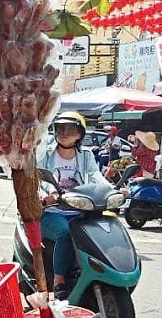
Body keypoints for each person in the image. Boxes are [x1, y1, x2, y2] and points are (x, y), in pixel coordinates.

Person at [38, 112, 112, 298]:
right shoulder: (45, 153)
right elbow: (40, 179)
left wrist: (112, 190)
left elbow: (95, 176)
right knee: (65, 232)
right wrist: (49, 195)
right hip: (51, 211)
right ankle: (59, 280)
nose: (64, 133)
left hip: (79, 208)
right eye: (60, 128)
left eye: (70, 129)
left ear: (80, 134)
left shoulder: (86, 155)